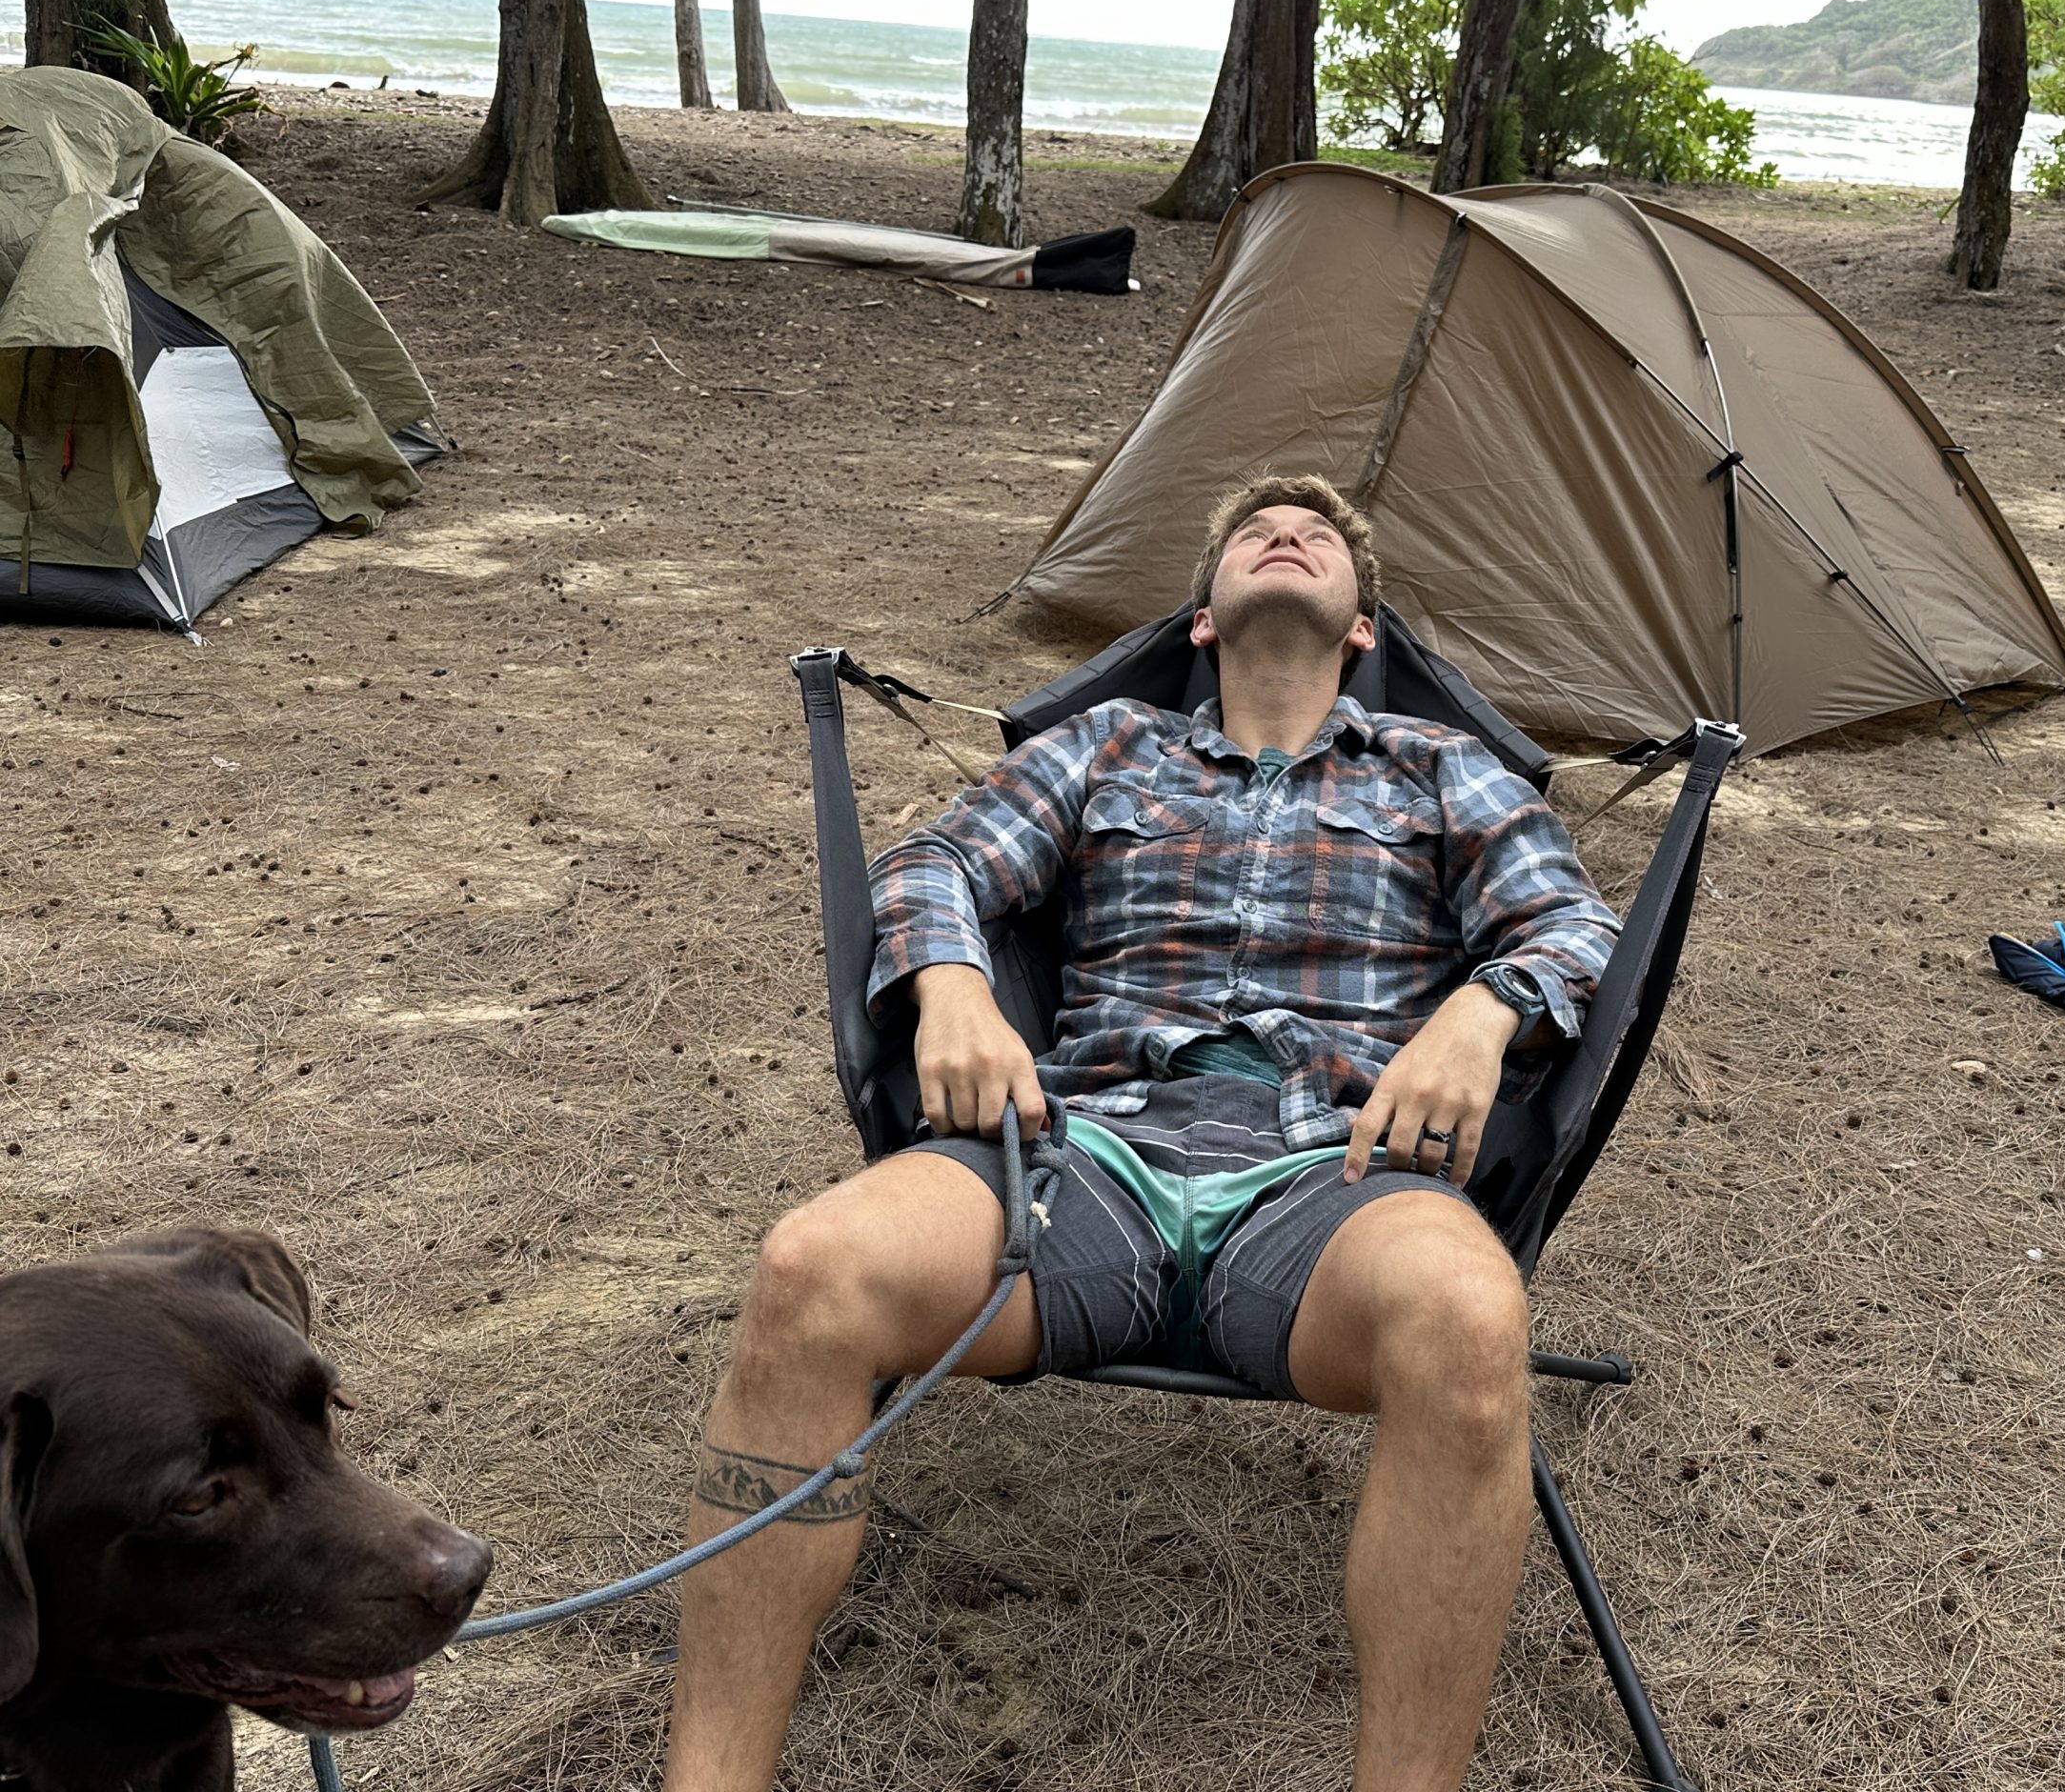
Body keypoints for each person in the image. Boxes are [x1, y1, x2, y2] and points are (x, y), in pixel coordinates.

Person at [664, 473, 1620, 1792]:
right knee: (810, 1271)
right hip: (1083, 1152)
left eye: (1319, 534)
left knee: (1468, 1321)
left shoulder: (1443, 768)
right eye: (1254, 531)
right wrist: (954, 988)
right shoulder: (1109, 743)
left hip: (1333, 1172)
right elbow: (934, 863)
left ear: (1363, 630)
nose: (1286, 533)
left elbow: (1575, 925)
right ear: (1203, 619)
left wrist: (1481, 1008)